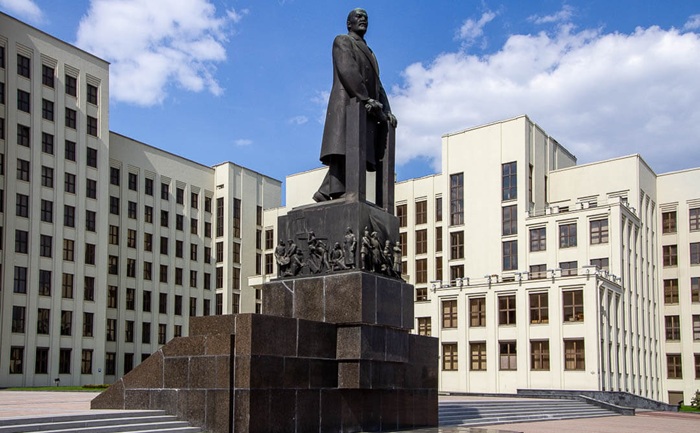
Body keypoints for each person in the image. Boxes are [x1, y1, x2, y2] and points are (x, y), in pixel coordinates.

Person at [313, 8, 398, 202]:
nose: (363, 20)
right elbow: (348, 70)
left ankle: (325, 191)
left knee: (354, 152)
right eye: (358, 17)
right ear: (348, 23)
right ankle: (331, 191)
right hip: (348, 104)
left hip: (365, 109)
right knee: (345, 149)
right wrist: (365, 98)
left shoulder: (370, 53)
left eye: (366, 17)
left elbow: (378, 85)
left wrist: (387, 110)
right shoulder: (342, 41)